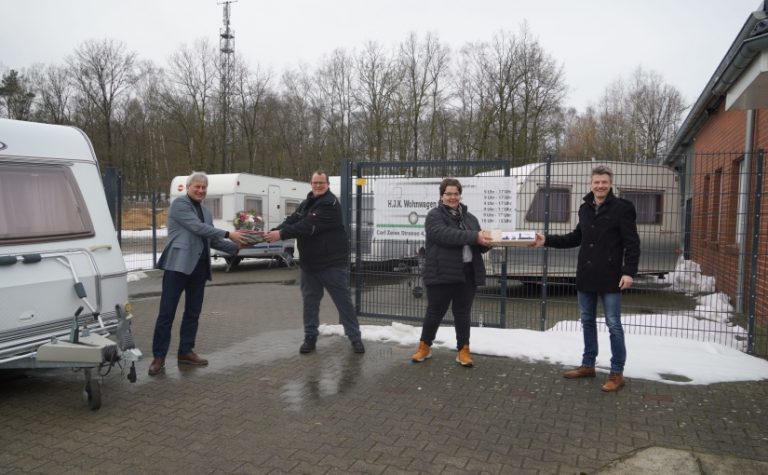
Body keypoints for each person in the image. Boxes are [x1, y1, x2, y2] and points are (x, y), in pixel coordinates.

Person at [531, 165, 640, 392]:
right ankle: (588, 365)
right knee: (587, 321)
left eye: (604, 182)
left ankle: (617, 372)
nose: (600, 185)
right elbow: (576, 237)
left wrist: (628, 271)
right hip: (586, 275)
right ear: (591, 184)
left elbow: (632, 243)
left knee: (613, 324)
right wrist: (546, 240)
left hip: (611, 277)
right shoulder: (585, 208)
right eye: (596, 182)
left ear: (610, 184)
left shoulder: (622, 208)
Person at [148, 172, 249, 376]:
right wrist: (230, 233)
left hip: (200, 267)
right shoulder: (179, 205)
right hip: (178, 266)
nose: (201, 190)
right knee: (167, 313)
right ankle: (159, 357)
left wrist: (238, 246)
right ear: (188, 187)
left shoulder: (206, 211)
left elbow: (210, 237)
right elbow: (197, 228)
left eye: (204, 187)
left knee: (193, 313)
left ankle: (185, 351)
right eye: (197, 187)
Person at [263, 170, 365, 354]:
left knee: (343, 303)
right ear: (311, 184)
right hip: (310, 266)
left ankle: (355, 338)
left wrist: (281, 234)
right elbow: (293, 220)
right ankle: (310, 338)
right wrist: (274, 232)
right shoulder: (307, 202)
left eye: (321, 183)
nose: (318, 186)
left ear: (328, 185)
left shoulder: (330, 203)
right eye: (315, 183)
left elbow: (307, 226)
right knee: (310, 303)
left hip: (332, 265)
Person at [411, 178, 493, 367]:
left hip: (467, 273)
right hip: (441, 273)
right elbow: (445, 235)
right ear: (441, 196)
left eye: (456, 193)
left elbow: (476, 245)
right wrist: (475, 236)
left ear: (460, 195)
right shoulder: (434, 216)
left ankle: (463, 350)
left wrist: (488, 243)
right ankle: (424, 347)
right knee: (435, 312)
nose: (452, 197)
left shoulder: (470, 218)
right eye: (448, 194)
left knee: (463, 313)